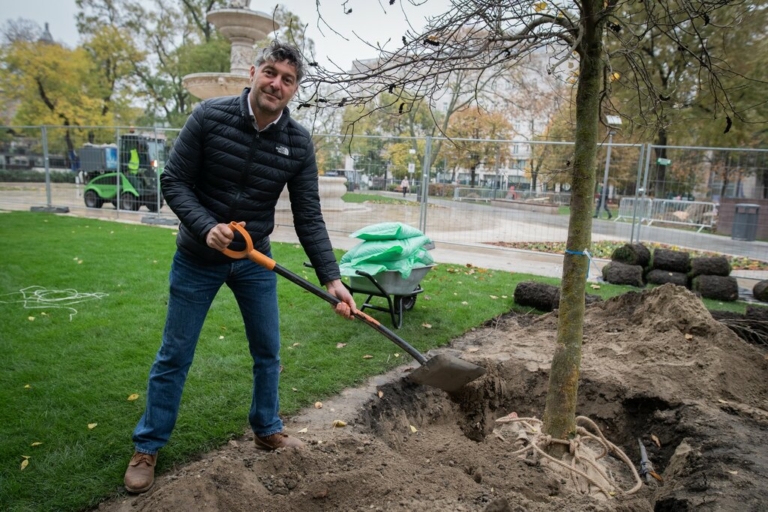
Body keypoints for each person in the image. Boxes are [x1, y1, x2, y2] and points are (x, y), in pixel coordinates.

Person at [123, 41, 357, 494]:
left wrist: (333, 279)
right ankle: (148, 445)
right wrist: (205, 225)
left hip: (253, 260)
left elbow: (309, 216)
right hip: (198, 256)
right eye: (270, 72)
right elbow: (173, 179)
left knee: (268, 350)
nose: (276, 84)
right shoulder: (210, 116)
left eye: (287, 79)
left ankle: (266, 426)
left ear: (294, 89)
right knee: (175, 354)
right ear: (253, 72)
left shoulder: (298, 142)